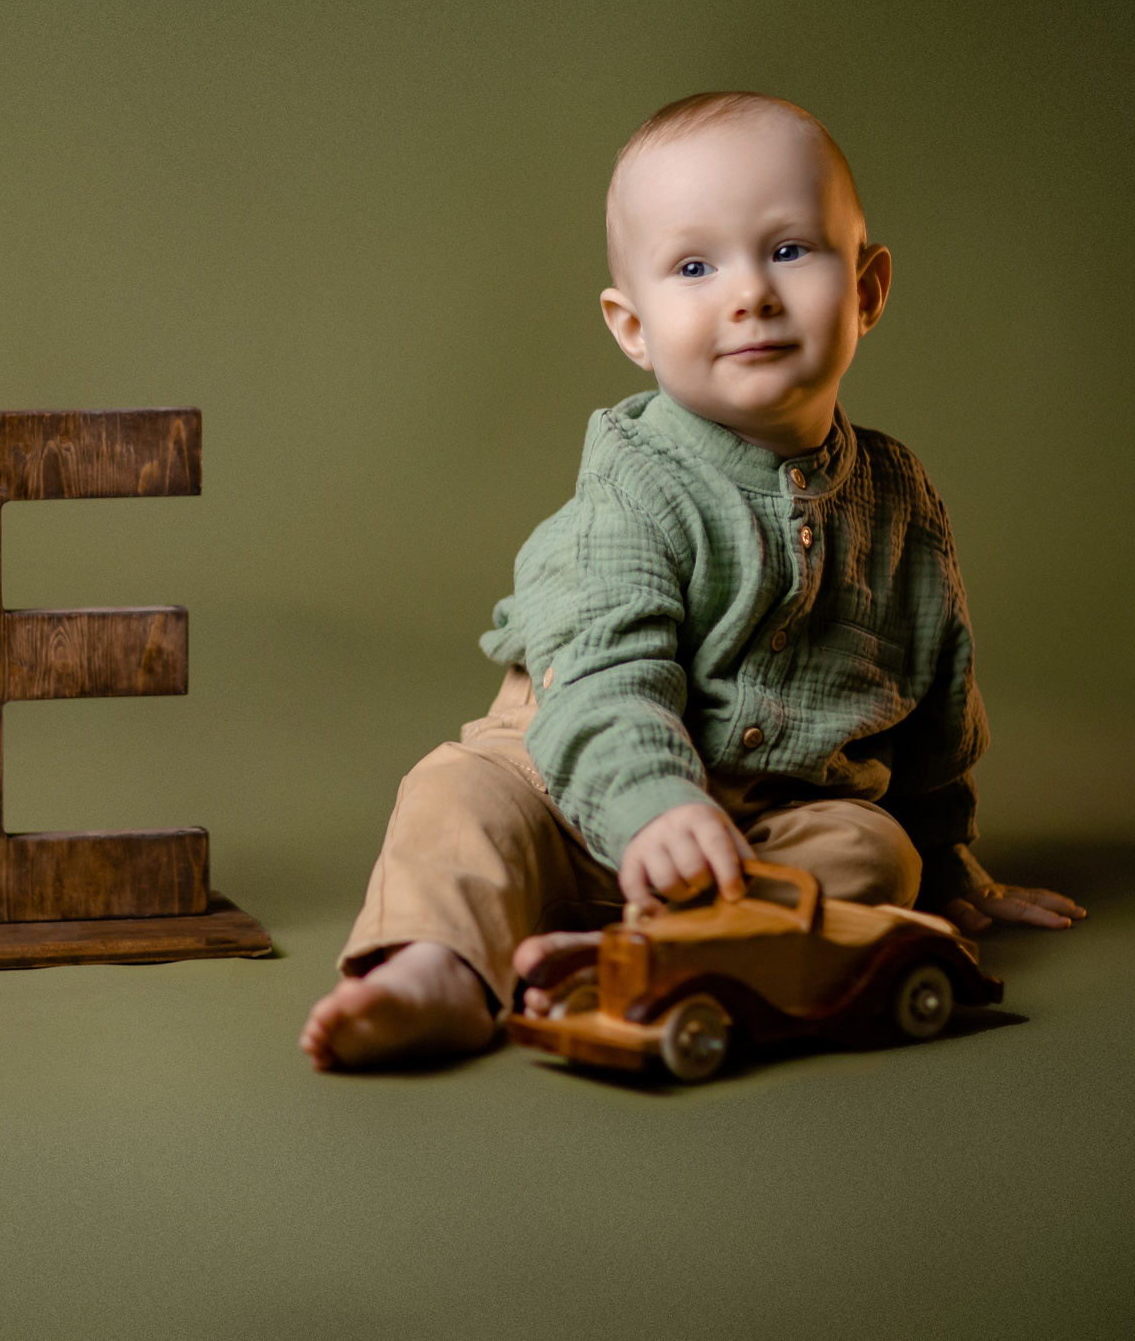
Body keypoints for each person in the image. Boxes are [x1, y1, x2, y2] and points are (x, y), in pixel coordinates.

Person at [301, 92, 1082, 1071]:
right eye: (695, 266)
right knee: (455, 798)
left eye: (789, 250)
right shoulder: (631, 487)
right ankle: (436, 972)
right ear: (632, 327)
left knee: (876, 856)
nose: (748, 293)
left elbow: (931, 698)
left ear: (869, 290)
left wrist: (948, 855)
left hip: (758, 829)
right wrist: (652, 805)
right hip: (567, 778)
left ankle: (634, 955)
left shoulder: (898, 498)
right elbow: (599, 678)